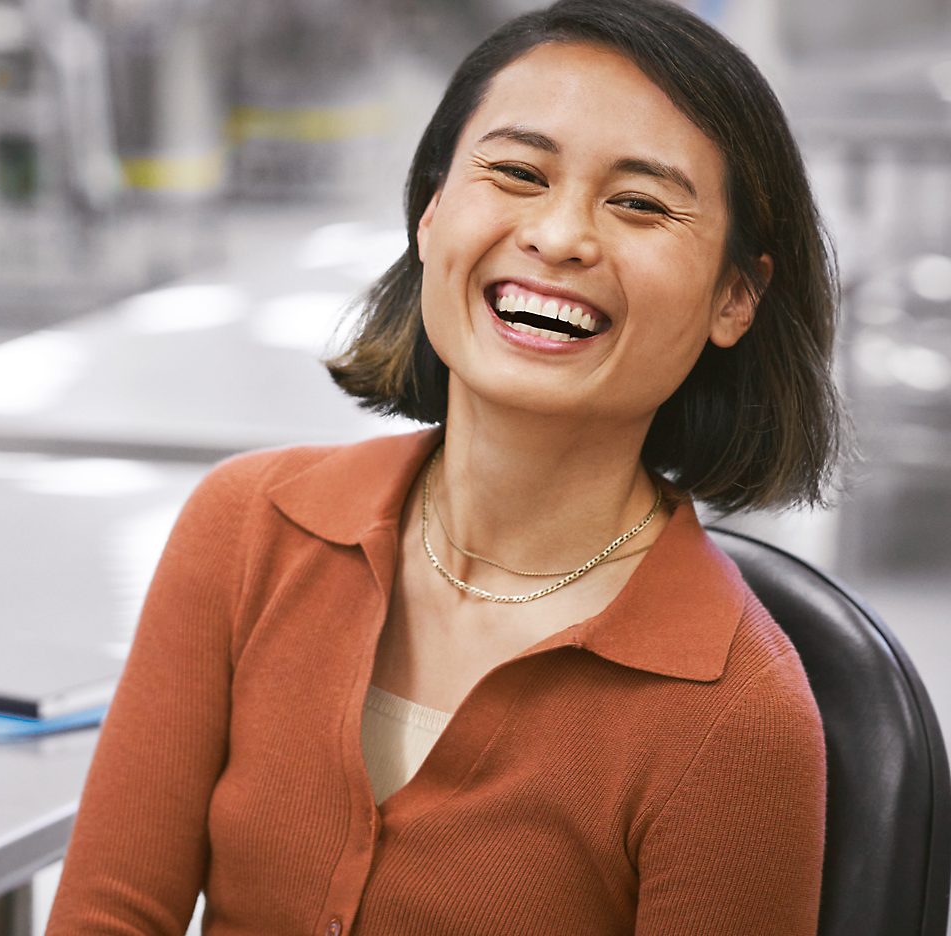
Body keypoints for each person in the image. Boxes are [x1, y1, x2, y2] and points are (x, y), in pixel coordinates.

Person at [46, 0, 846, 933]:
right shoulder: (245, 527)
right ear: (431, 213)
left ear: (736, 296)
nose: (559, 237)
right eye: (515, 172)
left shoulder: (741, 721)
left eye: (638, 203)